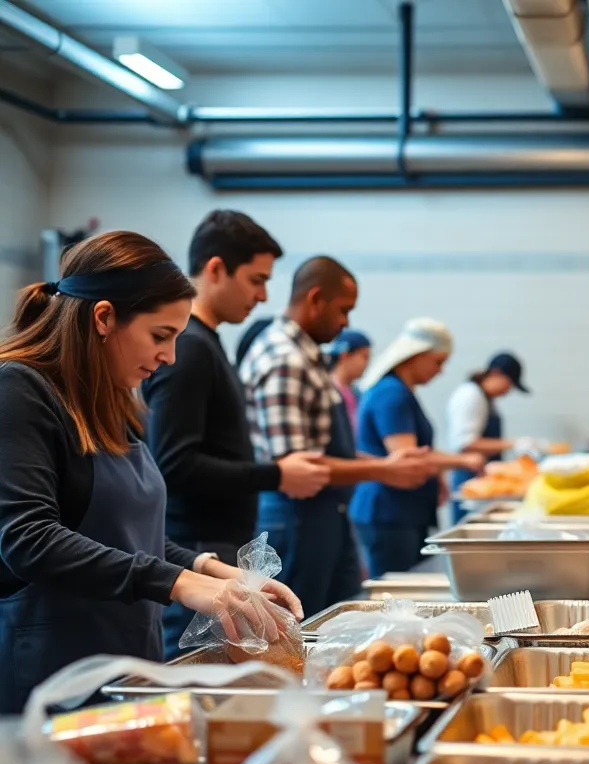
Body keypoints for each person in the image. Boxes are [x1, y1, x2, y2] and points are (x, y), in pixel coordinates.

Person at [0, 231, 300, 712]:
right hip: (53, 674)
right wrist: (181, 585)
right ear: (103, 318)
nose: (170, 358)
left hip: (125, 665)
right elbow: (28, 538)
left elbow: (125, 534)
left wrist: (213, 571)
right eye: (161, 336)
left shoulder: (106, 403)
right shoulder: (21, 391)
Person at [142, 211, 329, 658]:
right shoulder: (188, 348)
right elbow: (175, 464)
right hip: (193, 544)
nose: (263, 296)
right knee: (196, 684)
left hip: (210, 547)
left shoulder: (206, 343)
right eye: (255, 280)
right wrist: (275, 475)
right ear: (215, 269)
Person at [240, 257, 434, 617]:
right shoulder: (286, 359)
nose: (346, 322)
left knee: (339, 620)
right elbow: (298, 468)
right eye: (343, 309)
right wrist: (383, 471)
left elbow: (326, 449)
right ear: (315, 299)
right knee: (298, 625)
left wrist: (383, 464)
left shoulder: (307, 356)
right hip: (298, 517)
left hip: (327, 513)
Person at [352, 319, 485, 577]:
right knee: (392, 596)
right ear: (416, 356)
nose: (440, 371)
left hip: (401, 513)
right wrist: (465, 461)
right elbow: (408, 458)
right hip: (388, 513)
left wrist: (437, 473)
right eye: (437, 362)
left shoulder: (400, 391)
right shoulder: (391, 394)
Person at [445, 351, 532, 524]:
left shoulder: (485, 399)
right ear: (496, 373)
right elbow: (466, 443)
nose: (507, 392)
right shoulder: (470, 396)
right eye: (509, 384)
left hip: (484, 479)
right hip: (470, 479)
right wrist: (513, 443)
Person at [328, 328, 372, 433]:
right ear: (345, 355)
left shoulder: (358, 394)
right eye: (364, 357)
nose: (367, 363)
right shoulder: (325, 391)